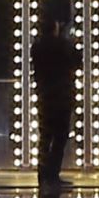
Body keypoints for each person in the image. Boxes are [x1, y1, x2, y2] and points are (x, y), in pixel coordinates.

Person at [31, 18, 79, 185]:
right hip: (61, 96)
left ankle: (42, 172)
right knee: (60, 136)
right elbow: (75, 62)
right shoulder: (62, 45)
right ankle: (52, 173)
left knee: (45, 135)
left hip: (44, 95)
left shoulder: (37, 47)